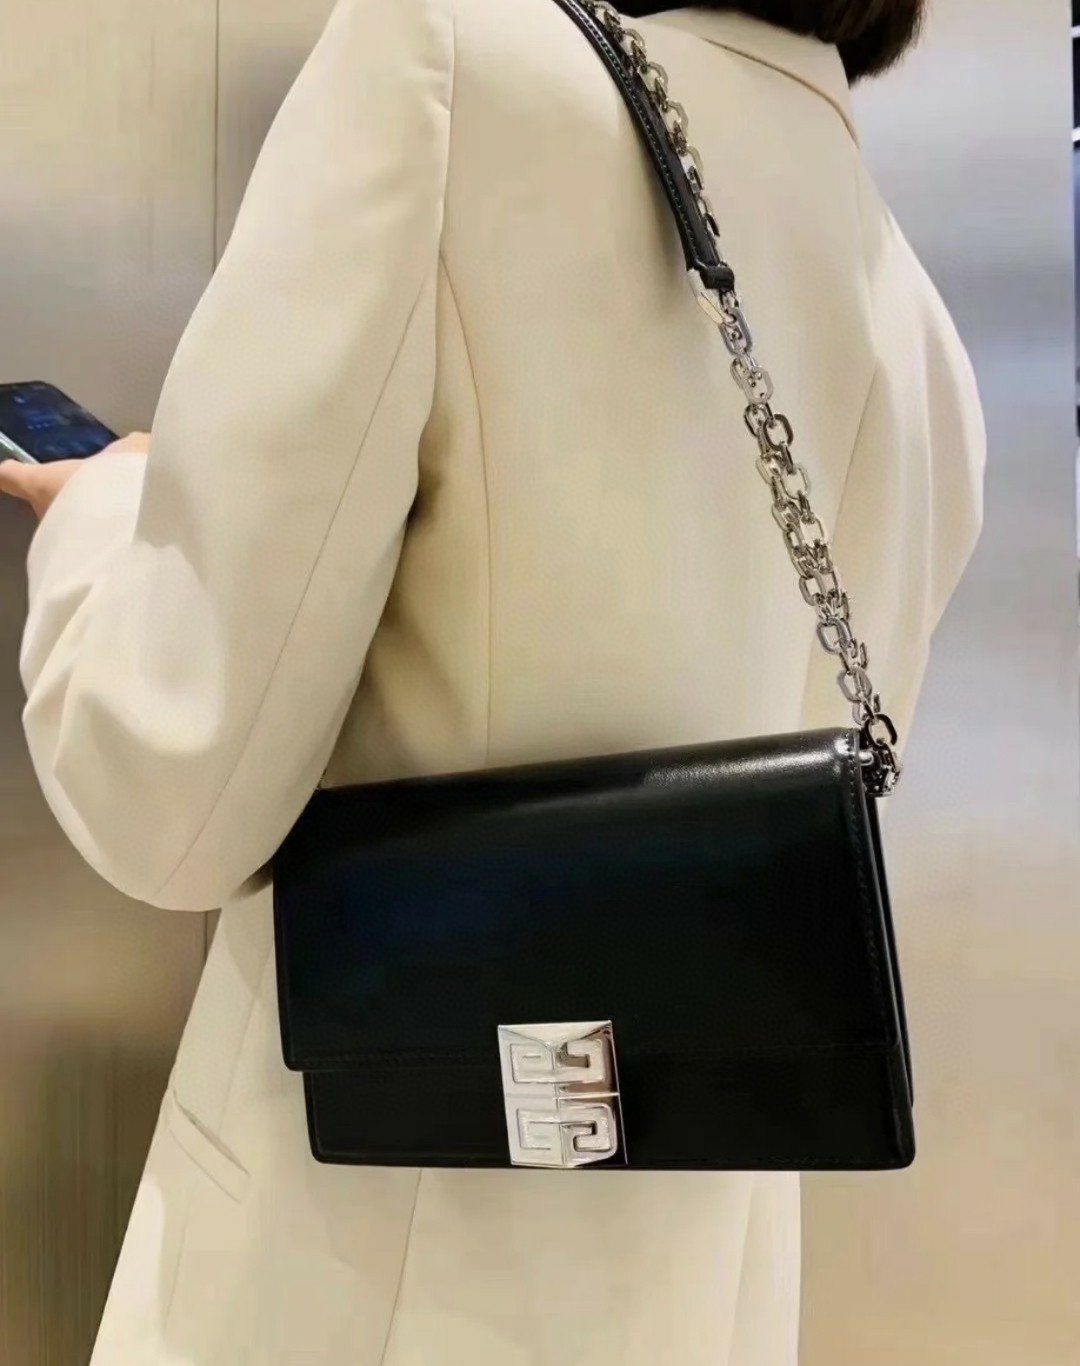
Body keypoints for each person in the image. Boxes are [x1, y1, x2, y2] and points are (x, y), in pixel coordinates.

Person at [0, 1, 984, 1361]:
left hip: (363, 1276)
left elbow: (174, 790)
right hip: (695, 1308)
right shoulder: (921, 331)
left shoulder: (447, 72)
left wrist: (110, 512)